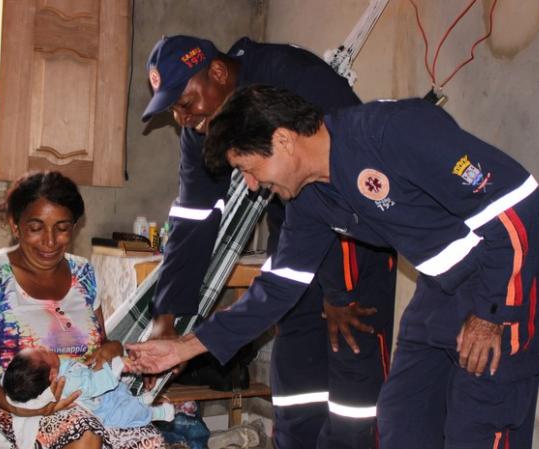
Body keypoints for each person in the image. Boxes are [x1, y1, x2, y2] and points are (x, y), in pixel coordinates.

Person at [126, 85, 539, 449]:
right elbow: (276, 288)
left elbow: (515, 199)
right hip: (442, 284)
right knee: (401, 419)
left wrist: (491, 313)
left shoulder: (392, 131)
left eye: (249, 169)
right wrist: (186, 346)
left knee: (480, 426)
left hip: (508, 270)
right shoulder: (312, 198)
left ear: (281, 140)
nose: (254, 186)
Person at [141, 35, 396, 448]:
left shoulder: (294, 76)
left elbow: (345, 174)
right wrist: (165, 317)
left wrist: (337, 290)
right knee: (296, 379)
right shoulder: (200, 127)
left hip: (354, 238)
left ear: (219, 74)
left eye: (185, 103)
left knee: (353, 389)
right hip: (295, 237)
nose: (182, 117)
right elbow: (193, 217)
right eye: (172, 109)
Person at [0, 171, 174, 449]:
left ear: (74, 226)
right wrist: (13, 404)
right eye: (36, 227)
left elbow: (102, 343)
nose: (50, 241)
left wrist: (114, 348)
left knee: (149, 442)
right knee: (84, 433)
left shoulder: (83, 273)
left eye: (61, 228)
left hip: (90, 396)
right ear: (16, 225)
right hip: (15, 406)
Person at [3, 347, 175, 427]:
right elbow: (91, 385)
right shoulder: (67, 383)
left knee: (121, 392)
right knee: (126, 414)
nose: (44, 347)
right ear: (52, 376)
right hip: (104, 411)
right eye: (43, 353)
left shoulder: (56, 366)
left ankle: (138, 400)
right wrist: (115, 366)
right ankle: (157, 413)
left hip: (105, 393)